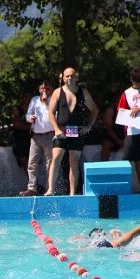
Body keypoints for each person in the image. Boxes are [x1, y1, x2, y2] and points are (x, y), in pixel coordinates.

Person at [45, 67, 98, 196]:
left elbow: (94, 110)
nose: (69, 78)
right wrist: (56, 129)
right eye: (67, 76)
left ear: (76, 78)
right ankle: (50, 189)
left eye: (72, 76)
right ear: (63, 78)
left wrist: (88, 126)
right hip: (62, 131)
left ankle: (72, 192)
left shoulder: (83, 92)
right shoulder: (58, 92)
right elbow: (51, 113)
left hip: (76, 131)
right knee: (56, 158)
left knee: (74, 161)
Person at [19, 81, 55, 196]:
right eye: (42, 88)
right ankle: (32, 188)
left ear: (51, 90)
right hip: (36, 136)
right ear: (39, 89)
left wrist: (45, 102)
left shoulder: (54, 99)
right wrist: (31, 117)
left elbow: (55, 115)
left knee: (50, 163)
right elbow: (27, 116)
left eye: (47, 89)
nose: (44, 91)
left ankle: (49, 188)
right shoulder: (34, 100)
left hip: (50, 134)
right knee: (32, 162)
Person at [100, 90, 126, 161]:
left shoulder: (129, 110)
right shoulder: (110, 109)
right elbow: (108, 127)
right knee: (106, 143)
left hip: (126, 136)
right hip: (113, 137)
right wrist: (118, 140)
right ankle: (103, 165)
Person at [11, 93, 32, 175]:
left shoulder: (35, 109)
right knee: (24, 161)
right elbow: (16, 124)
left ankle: (33, 181)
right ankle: (33, 181)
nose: (27, 99)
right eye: (25, 96)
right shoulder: (17, 109)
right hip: (19, 139)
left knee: (33, 161)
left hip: (32, 138)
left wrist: (25, 125)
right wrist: (29, 126)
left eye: (29, 97)